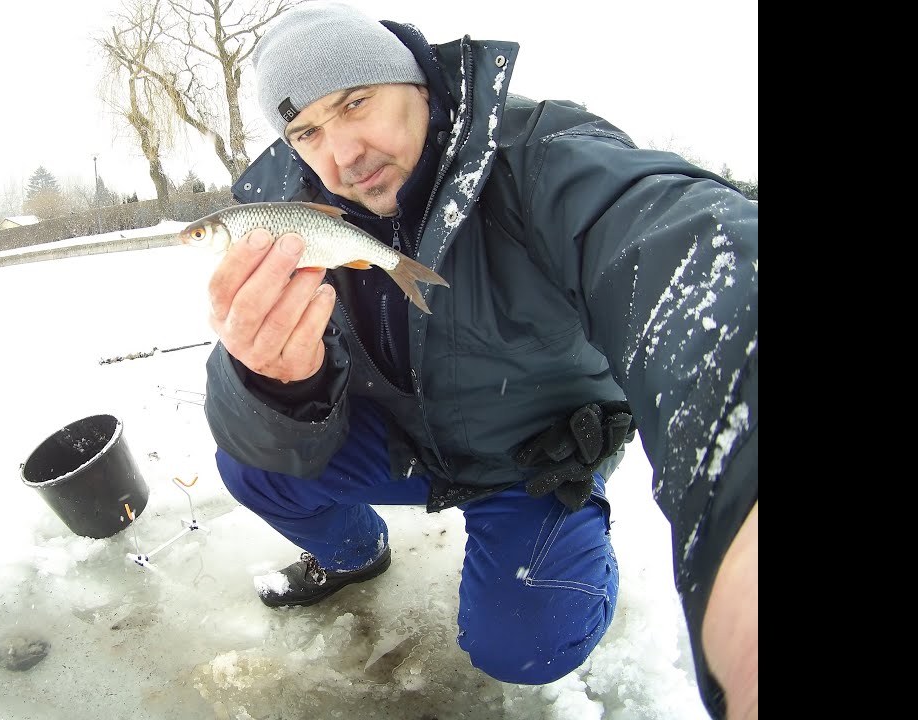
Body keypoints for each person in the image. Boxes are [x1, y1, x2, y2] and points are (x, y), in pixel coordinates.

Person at [199, 3, 757, 719]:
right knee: (254, 461)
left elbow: (681, 245)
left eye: (355, 103)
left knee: (525, 644)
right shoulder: (293, 218)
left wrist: (742, 479)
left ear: (417, 83)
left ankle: (573, 545)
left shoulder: (543, 158)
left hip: (530, 460)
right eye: (307, 131)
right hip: (406, 446)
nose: (343, 154)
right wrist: (274, 383)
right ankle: (354, 555)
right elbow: (262, 419)